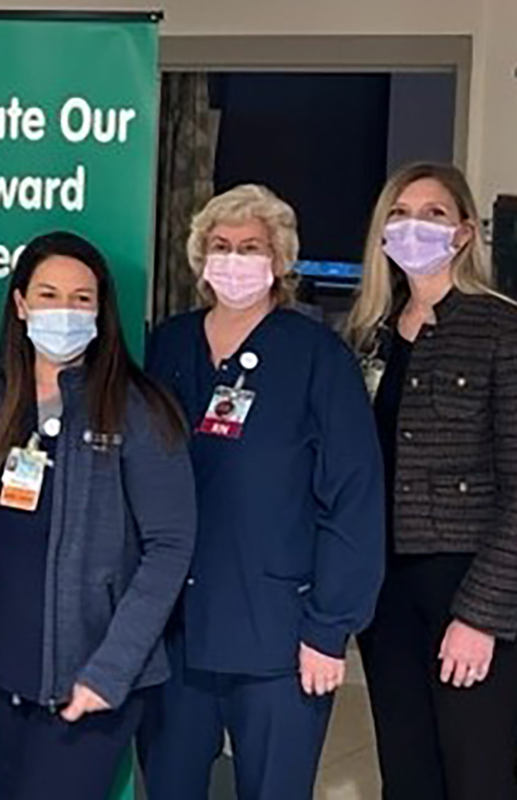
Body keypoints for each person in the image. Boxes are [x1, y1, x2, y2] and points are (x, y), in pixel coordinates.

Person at [137, 184, 385, 799]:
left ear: (279, 262)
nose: (234, 258)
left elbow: (354, 496)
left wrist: (329, 629)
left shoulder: (316, 357)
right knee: (168, 785)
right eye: (220, 245)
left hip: (278, 633)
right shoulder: (169, 345)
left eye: (251, 246)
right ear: (199, 259)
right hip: (175, 632)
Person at [0, 232, 196, 799]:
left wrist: (110, 671)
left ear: (101, 312)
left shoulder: (138, 409)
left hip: (91, 685)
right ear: (20, 305)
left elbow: (170, 545)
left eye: (81, 299)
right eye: (47, 295)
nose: (64, 312)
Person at [347, 163, 517, 800]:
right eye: (399, 212)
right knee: (407, 773)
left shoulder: (500, 328)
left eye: (434, 214)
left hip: (467, 586)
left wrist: (481, 614)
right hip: (386, 591)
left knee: (476, 774)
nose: (413, 225)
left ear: (465, 232)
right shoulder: (370, 334)